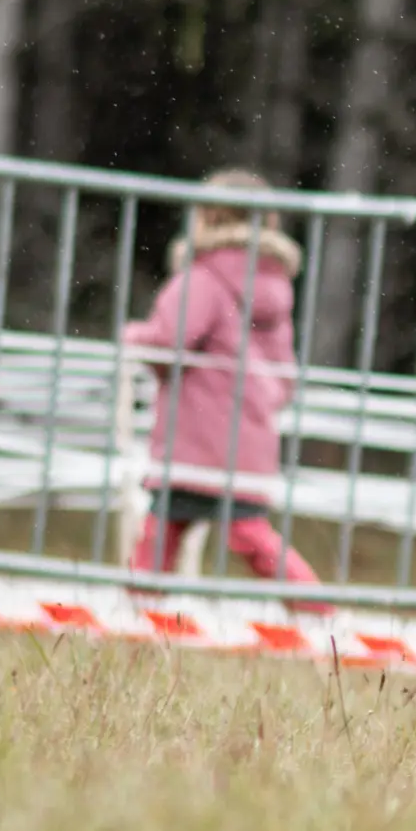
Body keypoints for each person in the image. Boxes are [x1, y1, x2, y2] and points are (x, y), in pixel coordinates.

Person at [123, 170, 324, 602]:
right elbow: (283, 369)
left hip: (194, 437)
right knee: (251, 536)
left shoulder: (202, 279)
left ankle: (138, 611)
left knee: (160, 533)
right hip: (247, 438)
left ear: (206, 219)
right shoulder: (273, 285)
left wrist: (133, 336)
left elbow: (167, 341)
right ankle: (317, 609)